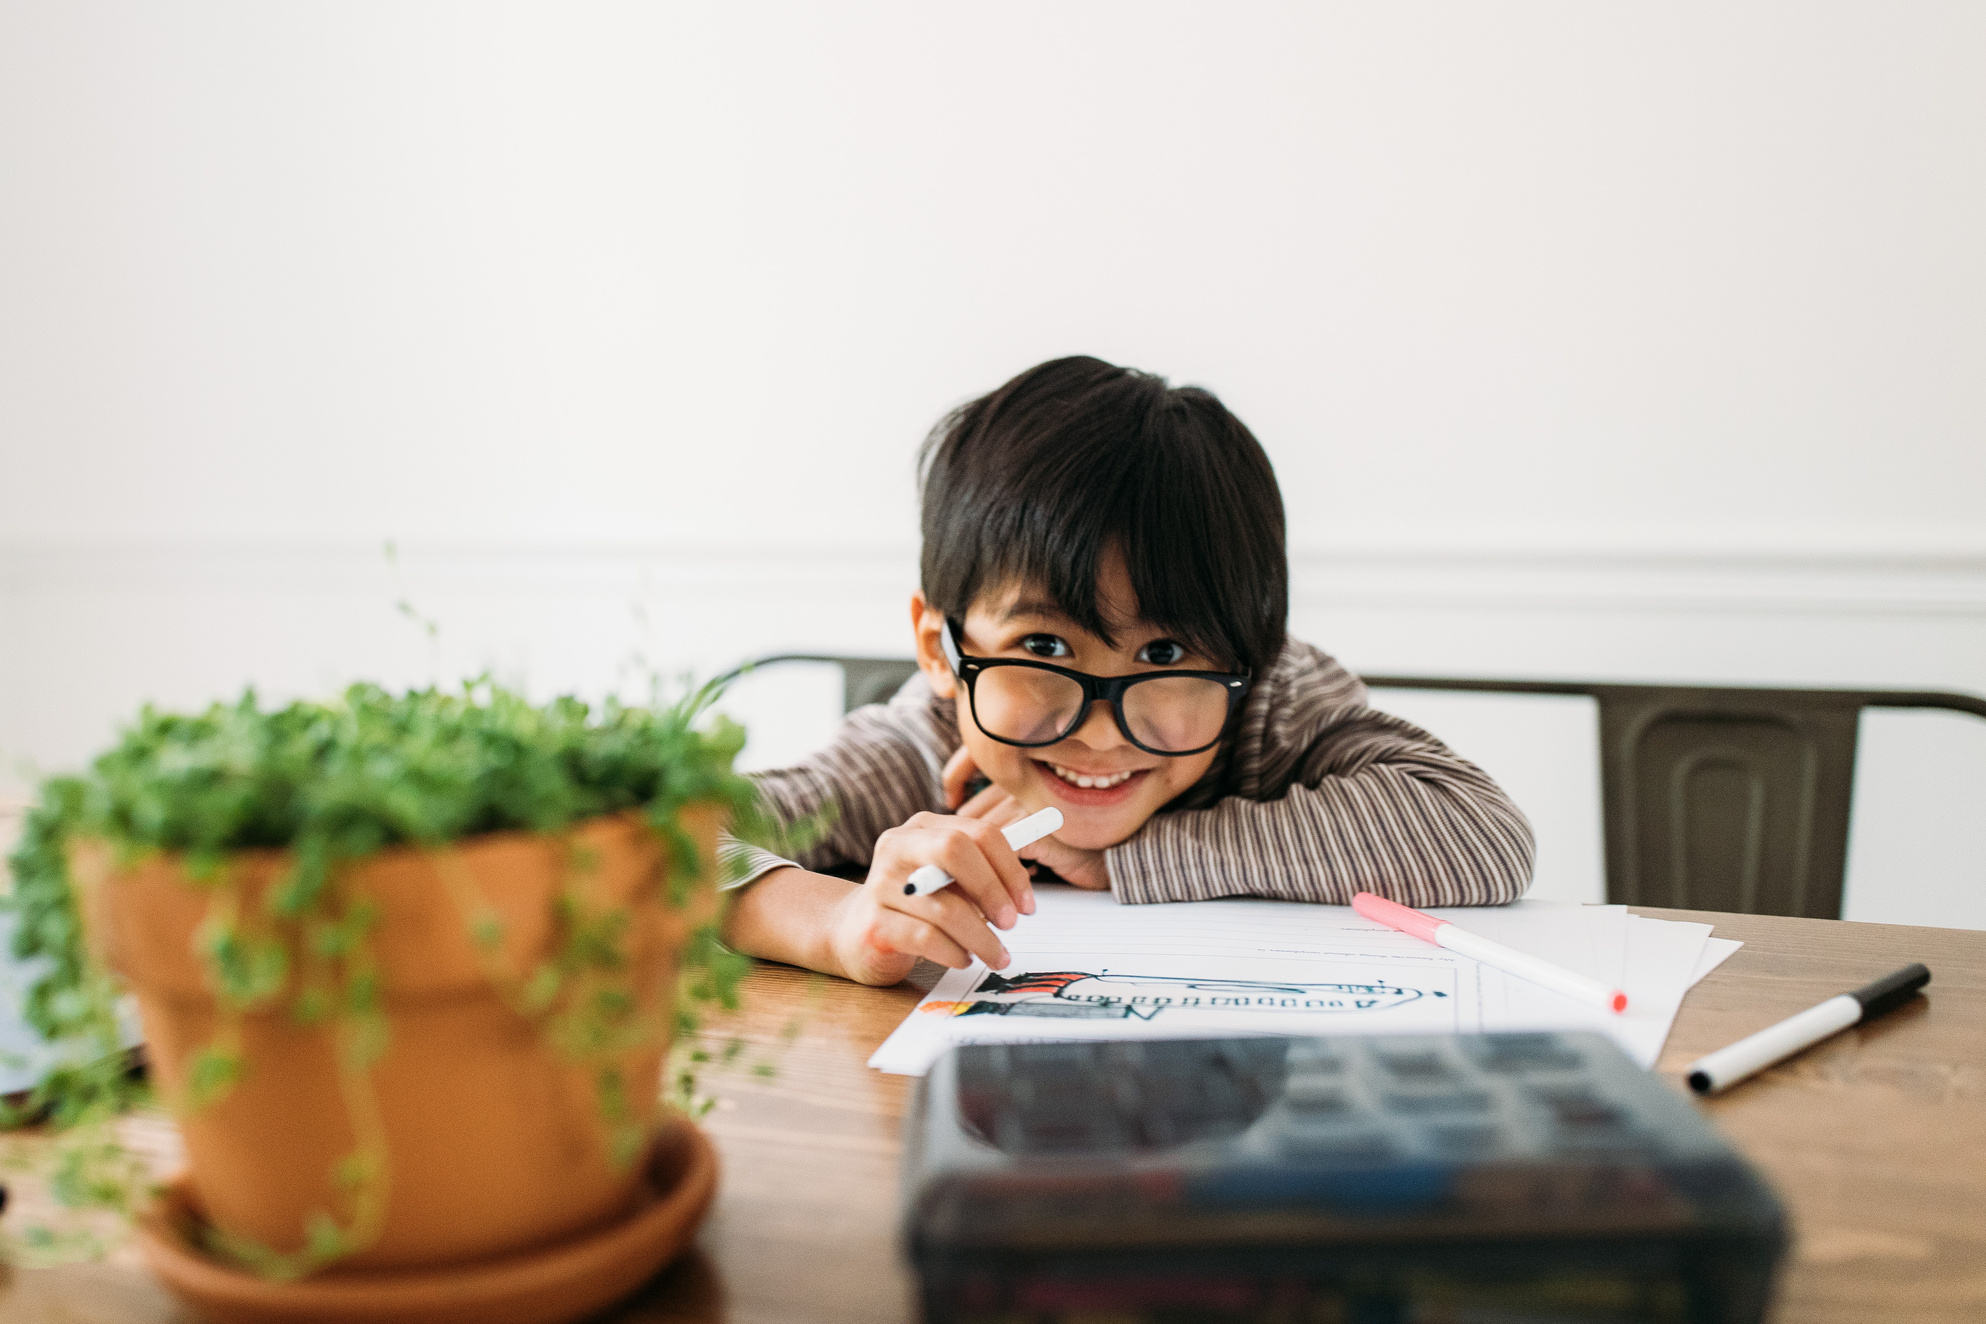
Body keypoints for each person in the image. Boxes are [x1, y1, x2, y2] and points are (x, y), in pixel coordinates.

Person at [720, 356, 1533, 986]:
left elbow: (1482, 836)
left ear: (1246, 654)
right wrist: (836, 924)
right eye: (1042, 650)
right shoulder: (919, 746)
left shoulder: (1272, 706)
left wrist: (1130, 858)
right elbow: (651, 845)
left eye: (1166, 654)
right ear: (940, 649)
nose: (1102, 734)